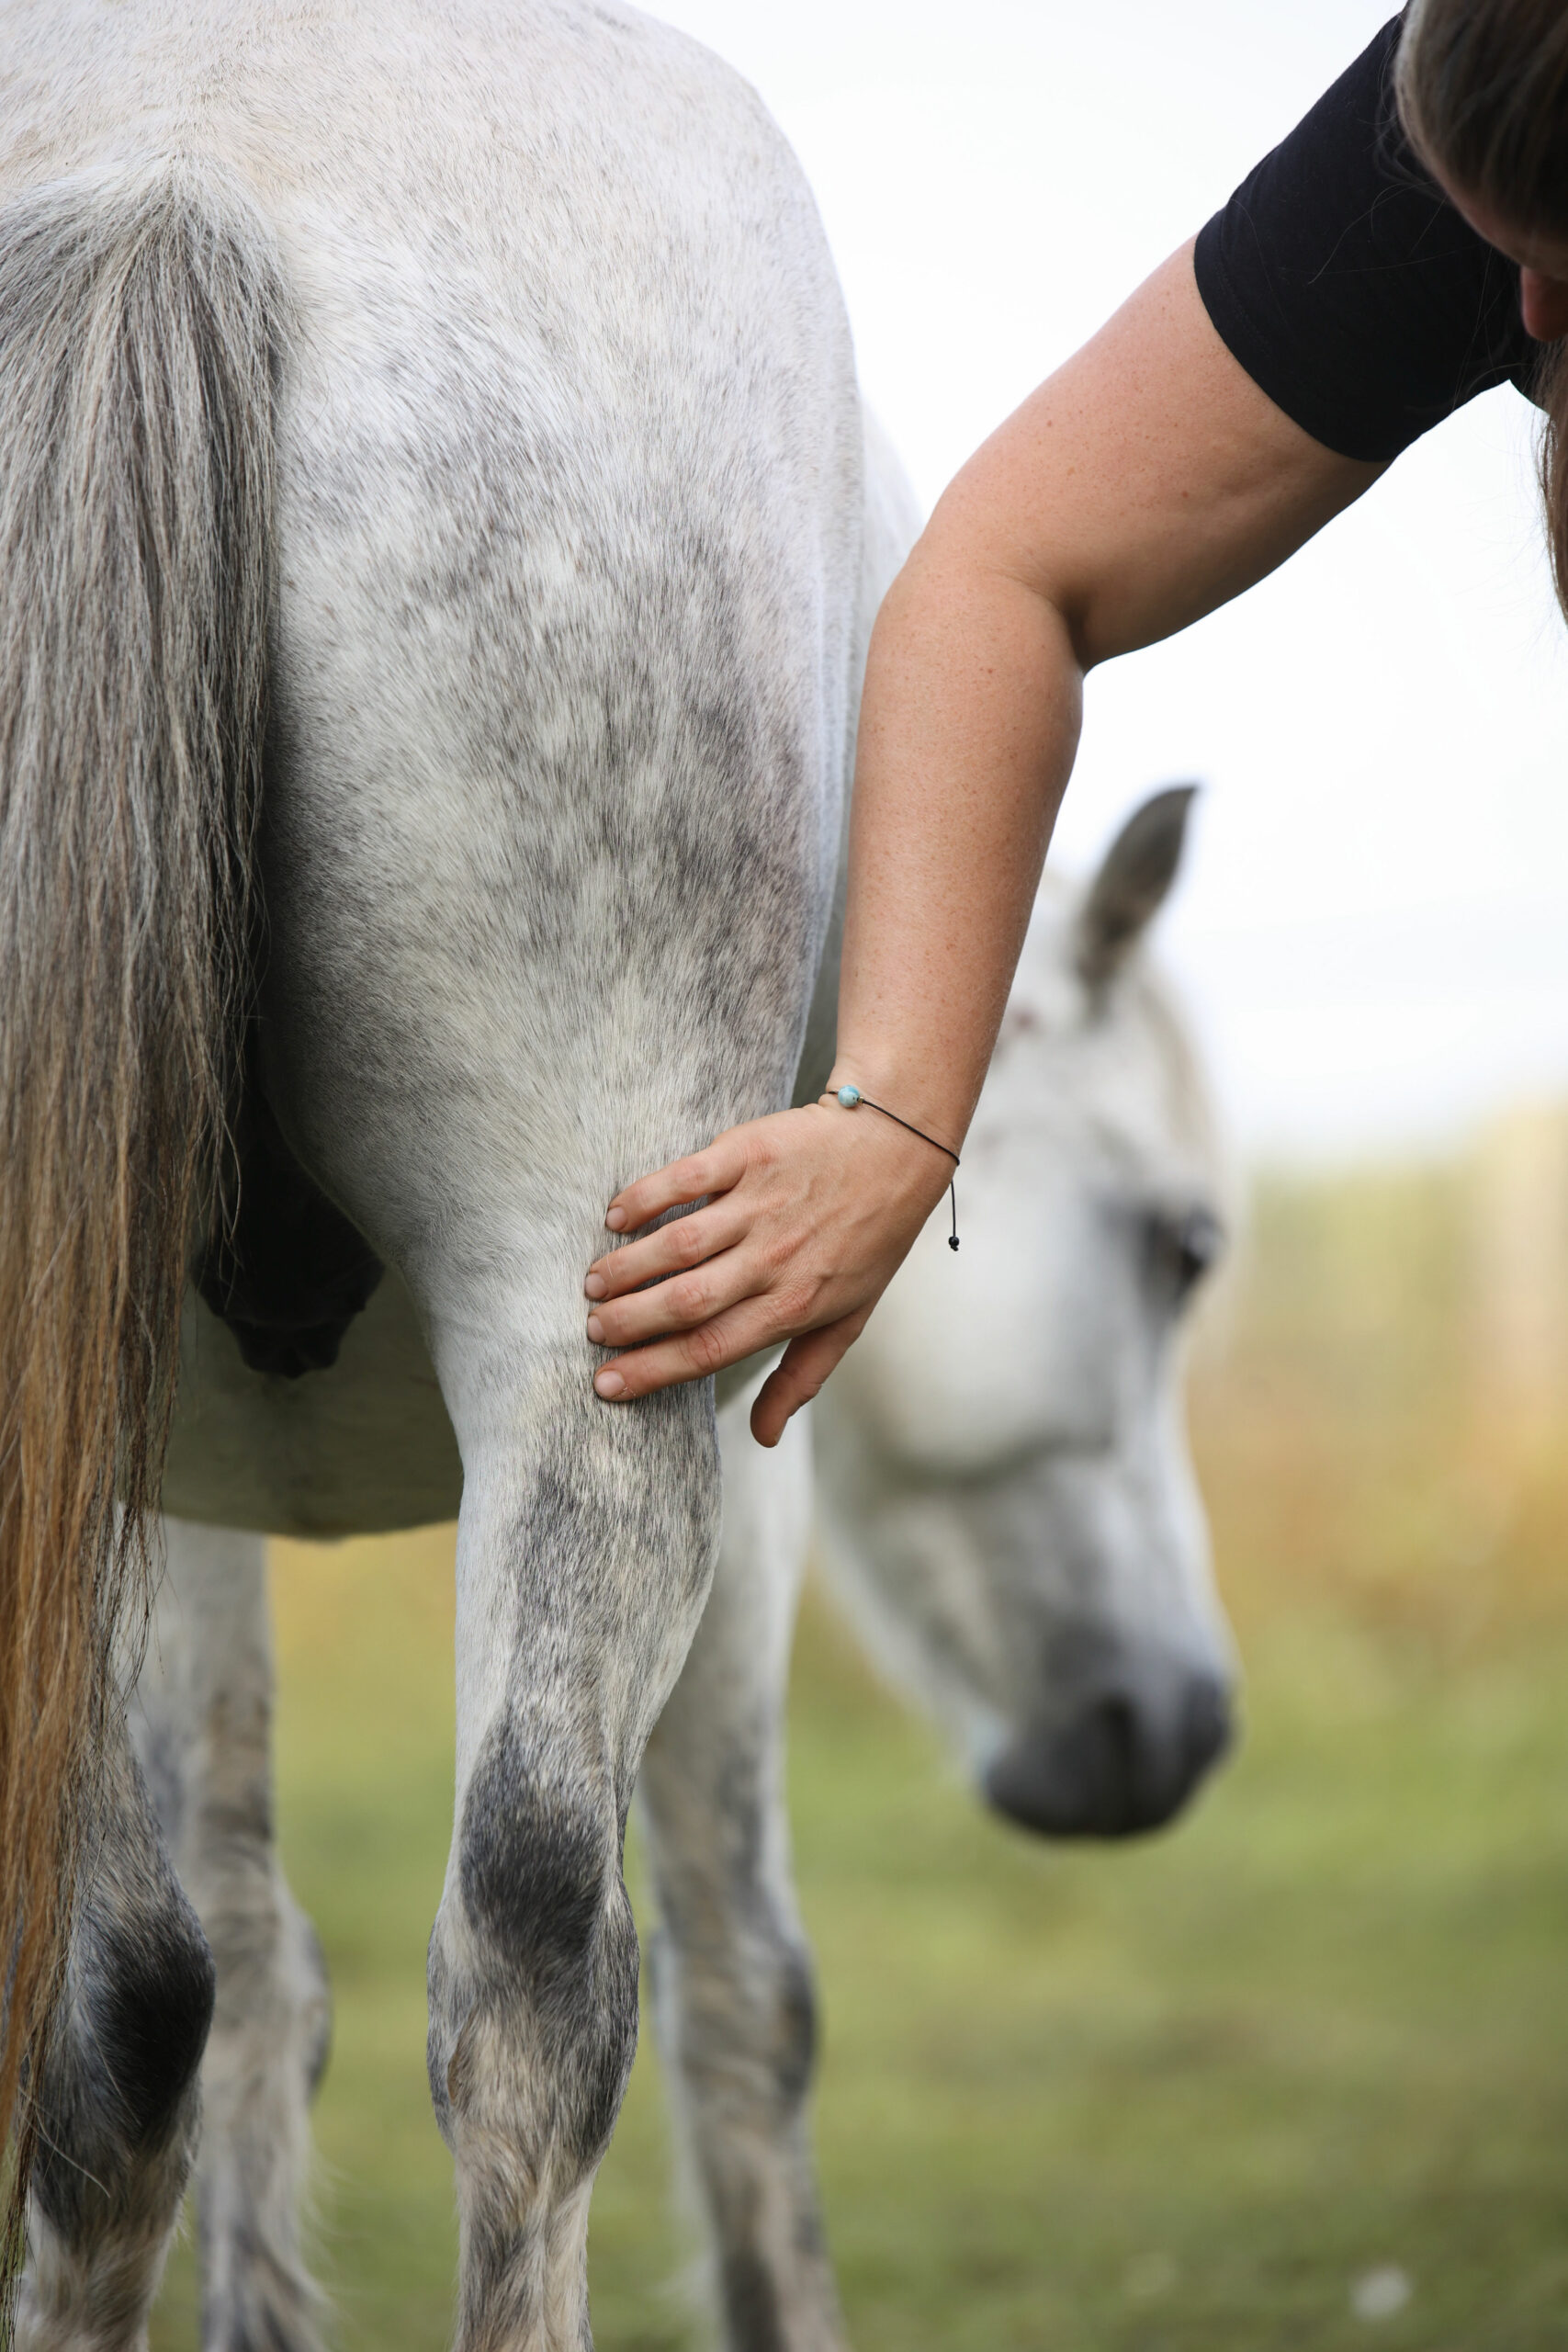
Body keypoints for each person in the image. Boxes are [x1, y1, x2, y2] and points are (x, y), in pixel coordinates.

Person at [581, 0, 1568, 1446]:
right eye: (1510, 253)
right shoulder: (1471, 124)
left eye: (1562, 249)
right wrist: (893, 1113)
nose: (1529, 317)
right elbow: (1007, 574)